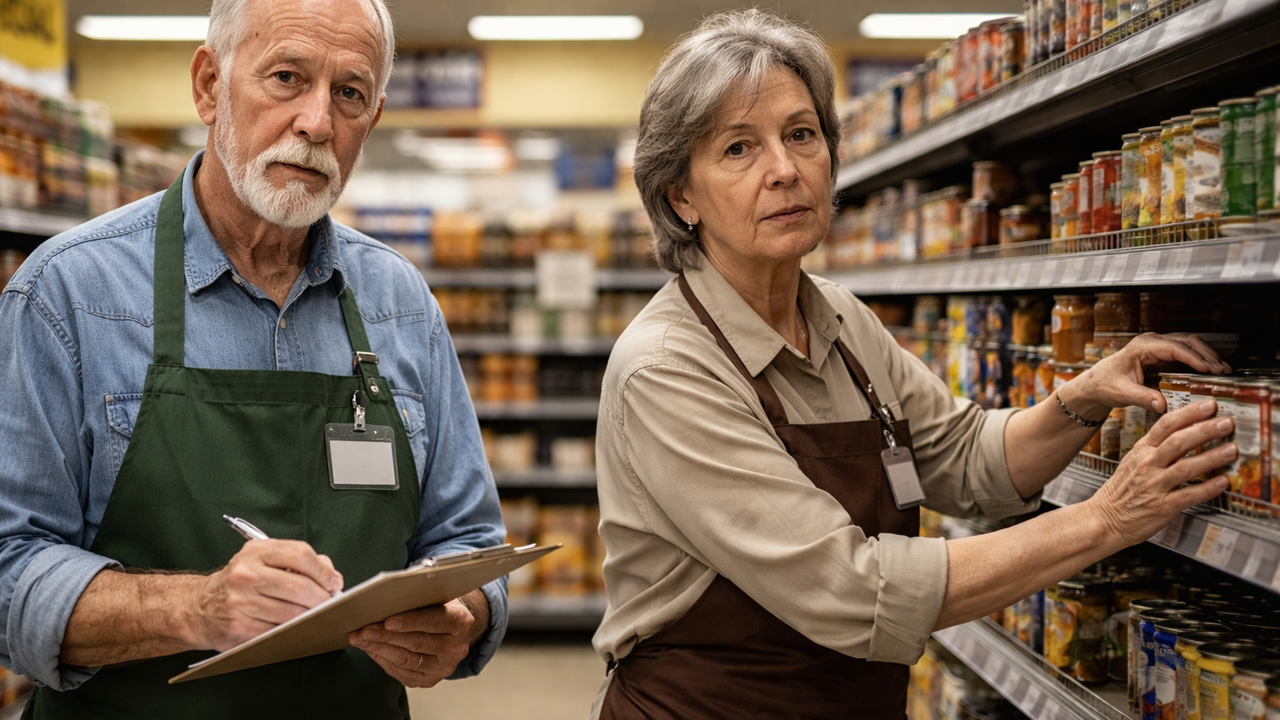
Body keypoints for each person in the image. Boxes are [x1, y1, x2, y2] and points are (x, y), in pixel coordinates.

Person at [590, 10, 1235, 719]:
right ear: (681, 196)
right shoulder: (668, 367)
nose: (784, 170)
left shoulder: (838, 317)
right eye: (739, 149)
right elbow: (851, 589)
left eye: (801, 135)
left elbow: (965, 459)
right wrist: (1106, 519)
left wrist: (1081, 399)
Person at [0, 0, 506, 716]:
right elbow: (9, 569)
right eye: (287, 78)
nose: (318, 123)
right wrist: (196, 607)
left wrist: (463, 616)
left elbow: (471, 540)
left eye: (350, 94)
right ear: (209, 85)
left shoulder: (400, 304)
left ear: (374, 117)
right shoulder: (68, 294)